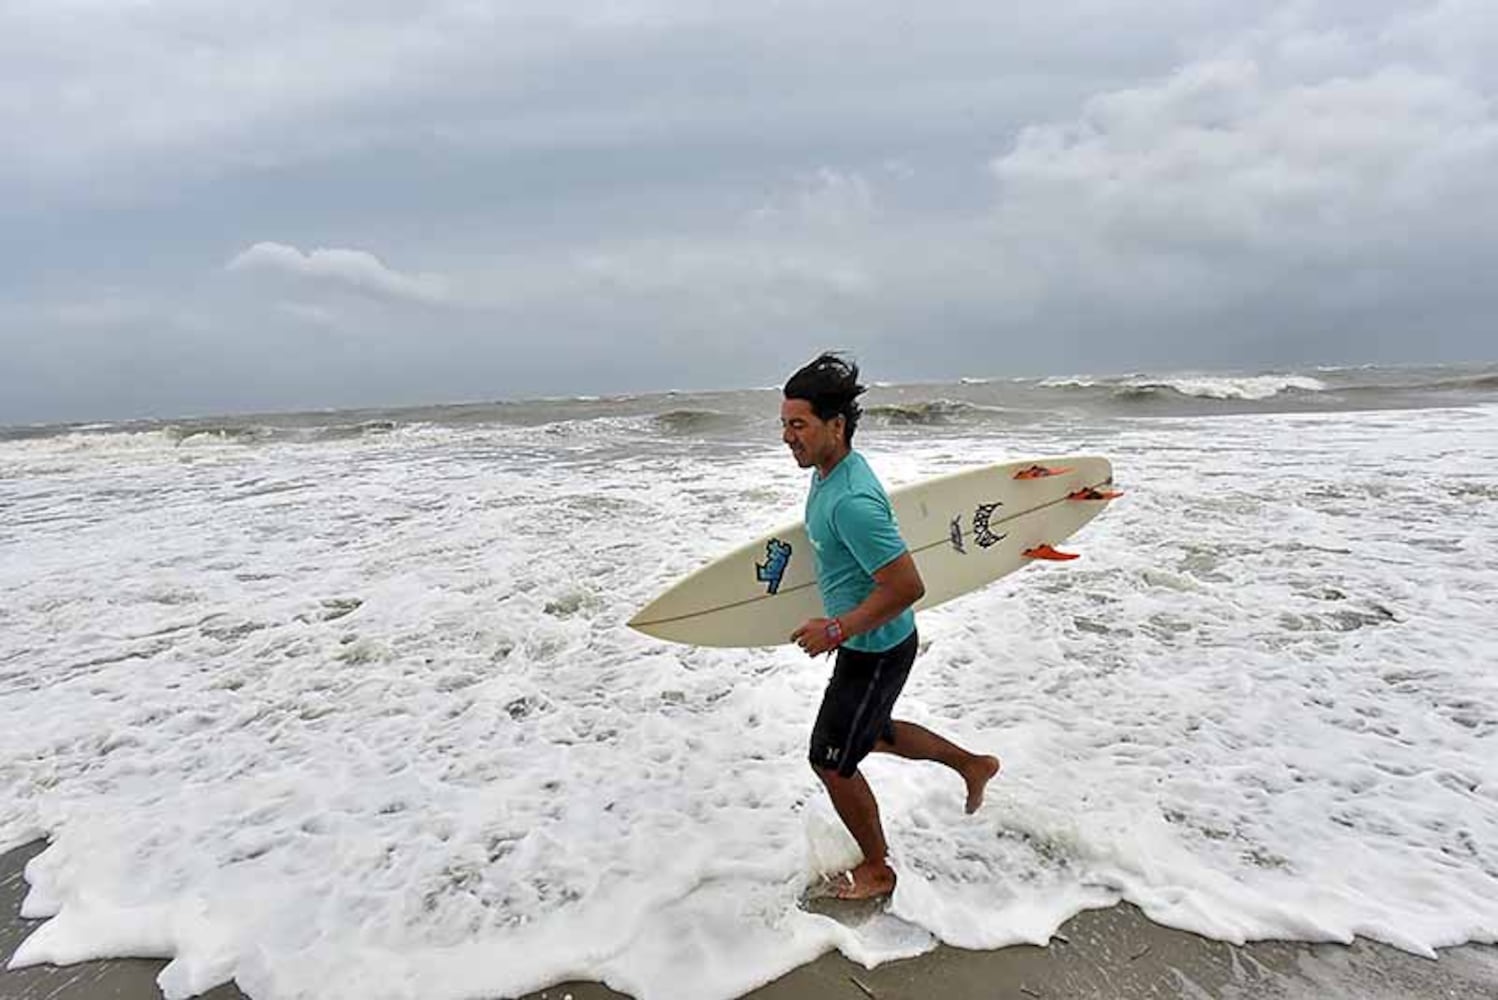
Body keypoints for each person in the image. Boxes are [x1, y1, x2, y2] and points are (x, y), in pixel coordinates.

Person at [781, 352, 1001, 900]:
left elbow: (906, 586)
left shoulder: (852, 501)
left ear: (836, 425)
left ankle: (878, 868)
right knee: (873, 732)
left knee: (831, 761)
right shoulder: (832, 472)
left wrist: (836, 630)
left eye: (798, 425)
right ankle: (973, 764)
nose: (787, 437)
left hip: (874, 647)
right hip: (871, 639)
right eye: (784, 424)